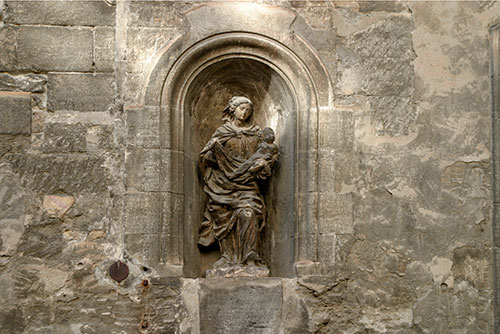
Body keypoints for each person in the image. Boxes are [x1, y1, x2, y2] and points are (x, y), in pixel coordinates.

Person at [198, 96, 278, 270]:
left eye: (248, 110)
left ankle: (250, 257)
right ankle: (227, 256)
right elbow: (205, 158)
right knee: (221, 216)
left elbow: (267, 159)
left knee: (248, 213)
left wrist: (263, 165)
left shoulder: (256, 134)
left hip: (248, 185)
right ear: (233, 110)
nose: (245, 113)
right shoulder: (222, 132)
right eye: (242, 109)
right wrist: (214, 155)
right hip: (222, 186)